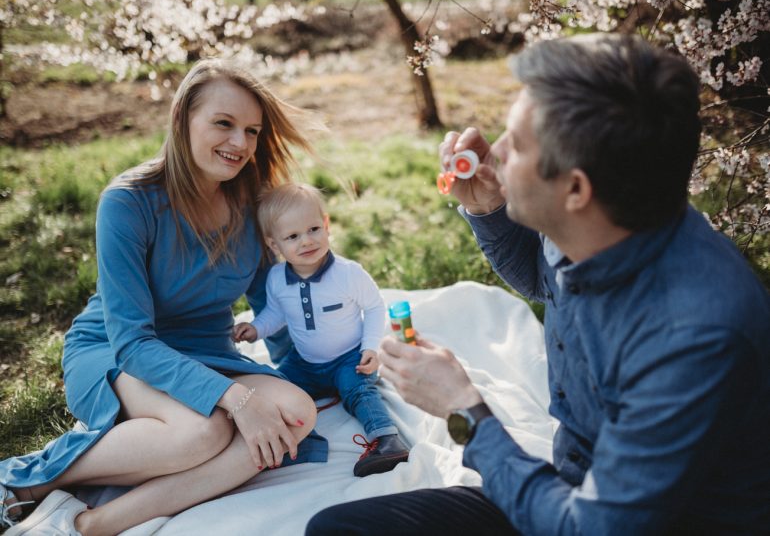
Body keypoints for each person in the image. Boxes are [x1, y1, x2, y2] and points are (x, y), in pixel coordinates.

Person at [306, 33, 770, 535]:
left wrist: (466, 412)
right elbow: (542, 279)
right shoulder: (604, 224)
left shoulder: (695, 337)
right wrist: (489, 208)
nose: (495, 151)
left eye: (519, 144)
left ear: (575, 188)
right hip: (563, 490)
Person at [0, 58, 329, 535]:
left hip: (208, 352)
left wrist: (318, 365)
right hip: (118, 352)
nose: (240, 143)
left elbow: (270, 302)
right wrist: (236, 399)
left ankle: (92, 524)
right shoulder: (127, 202)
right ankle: (22, 483)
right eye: (223, 123)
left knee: (295, 413)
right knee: (202, 432)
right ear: (182, 120)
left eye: (252, 131)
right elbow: (132, 340)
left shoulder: (251, 200)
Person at [232, 182, 410, 477]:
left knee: (359, 391)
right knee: (277, 388)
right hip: (304, 361)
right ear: (274, 246)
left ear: (326, 225)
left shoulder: (347, 274)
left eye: (313, 229)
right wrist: (256, 329)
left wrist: (370, 347)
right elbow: (276, 313)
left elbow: (375, 307)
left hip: (348, 357)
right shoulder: (277, 278)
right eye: (292, 236)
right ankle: (280, 443)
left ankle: (386, 439)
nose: (306, 241)